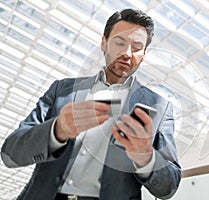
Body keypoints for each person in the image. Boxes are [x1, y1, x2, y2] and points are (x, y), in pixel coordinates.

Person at [1, 8, 181, 200]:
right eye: (119, 43)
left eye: (136, 47)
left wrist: (145, 157)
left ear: (144, 54)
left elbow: (169, 186)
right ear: (103, 43)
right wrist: (57, 130)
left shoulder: (160, 108)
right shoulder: (62, 90)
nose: (127, 53)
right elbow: (10, 153)